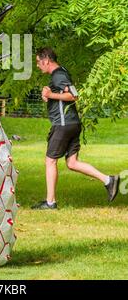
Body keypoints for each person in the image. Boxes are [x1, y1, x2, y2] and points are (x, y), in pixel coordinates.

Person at [32, 47, 120, 210]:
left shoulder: (58, 75)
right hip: (72, 123)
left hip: (63, 125)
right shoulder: (61, 72)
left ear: (46, 60)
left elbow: (74, 95)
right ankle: (109, 180)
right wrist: (49, 96)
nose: (38, 65)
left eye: (38, 62)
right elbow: (63, 95)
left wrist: (51, 95)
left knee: (50, 161)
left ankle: (50, 202)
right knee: (72, 163)